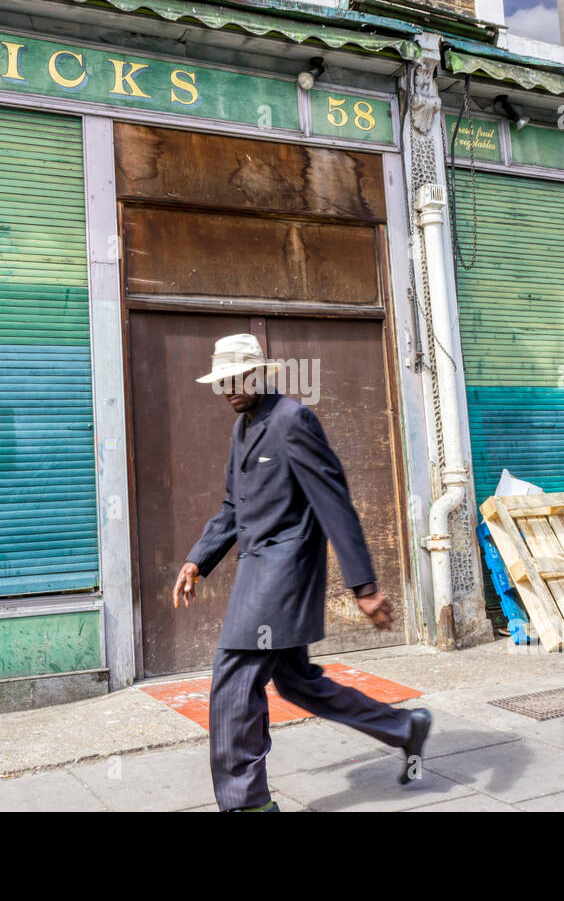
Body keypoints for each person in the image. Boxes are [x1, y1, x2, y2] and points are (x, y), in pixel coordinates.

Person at [173, 333, 432, 812]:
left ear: (259, 373)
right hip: (258, 570)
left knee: (234, 676)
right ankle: (404, 727)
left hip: (283, 575)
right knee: (296, 682)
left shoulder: (293, 419)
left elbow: (333, 501)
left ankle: (248, 802)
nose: (229, 388)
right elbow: (233, 505)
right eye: (221, 381)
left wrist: (365, 587)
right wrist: (197, 558)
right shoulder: (244, 427)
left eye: (235, 377)